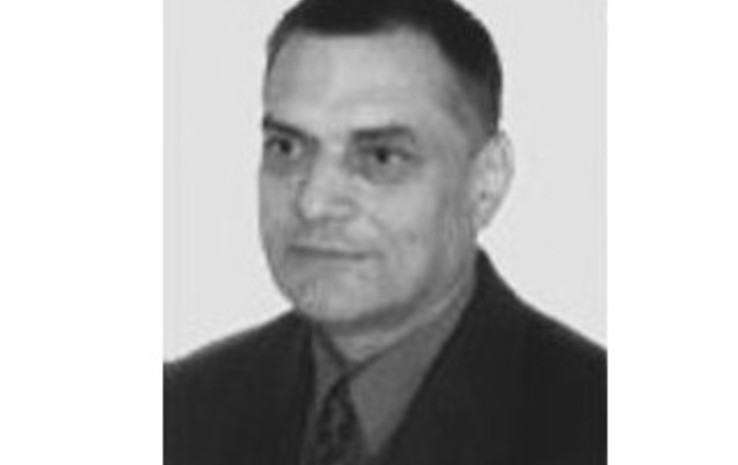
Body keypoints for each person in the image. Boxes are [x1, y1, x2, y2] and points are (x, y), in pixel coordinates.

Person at [164, 0, 606, 463]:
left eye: (380, 157)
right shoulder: (178, 411)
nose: (313, 203)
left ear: (485, 182)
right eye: (287, 148)